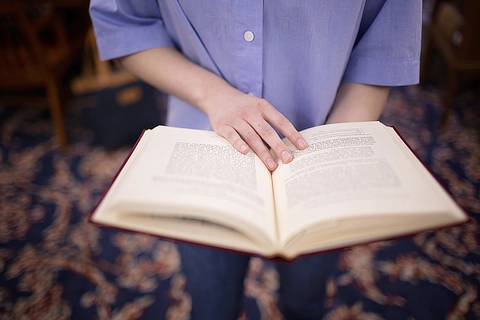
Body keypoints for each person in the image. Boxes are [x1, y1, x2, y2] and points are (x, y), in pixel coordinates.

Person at [89, 1, 422, 318]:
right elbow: (124, 23)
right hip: (202, 152)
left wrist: (330, 151)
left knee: (304, 301)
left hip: (319, 155)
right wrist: (213, 95)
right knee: (211, 304)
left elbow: (382, 46)